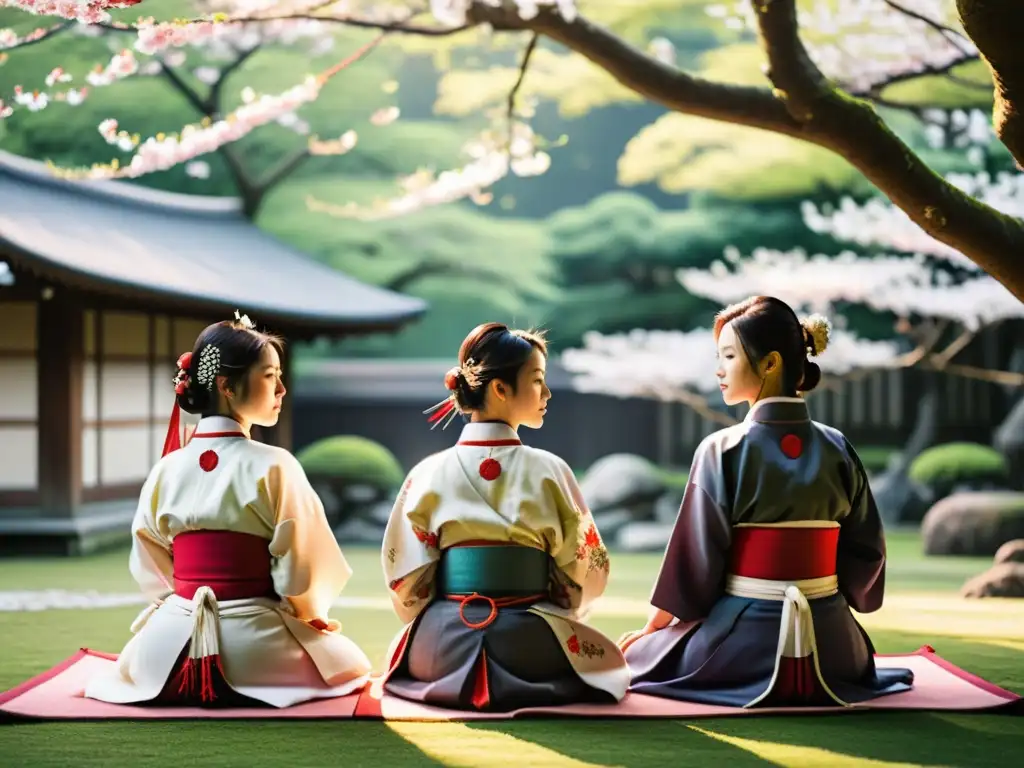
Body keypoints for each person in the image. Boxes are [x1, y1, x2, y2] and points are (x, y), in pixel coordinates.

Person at [618, 296, 914, 707]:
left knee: (639, 657)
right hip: (835, 648)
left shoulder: (721, 449)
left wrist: (653, 628)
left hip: (741, 646)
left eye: (728, 356)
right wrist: (828, 598)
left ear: (771, 363)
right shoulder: (838, 447)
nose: (719, 370)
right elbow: (866, 550)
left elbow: (695, 561)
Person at [85, 312, 371, 708]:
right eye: (270, 375)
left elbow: (149, 561)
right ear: (227, 386)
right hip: (255, 648)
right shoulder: (276, 465)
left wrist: (181, 604)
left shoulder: (167, 467)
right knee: (348, 663)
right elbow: (305, 567)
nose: (282, 388)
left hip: (165, 648)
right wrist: (305, 611)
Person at [379, 322, 628, 711]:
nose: (546, 393)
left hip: (441, 646)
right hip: (531, 645)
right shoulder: (551, 471)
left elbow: (406, 580)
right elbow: (585, 571)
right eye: (537, 380)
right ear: (499, 389)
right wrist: (562, 606)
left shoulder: (427, 472)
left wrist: (437, 616)